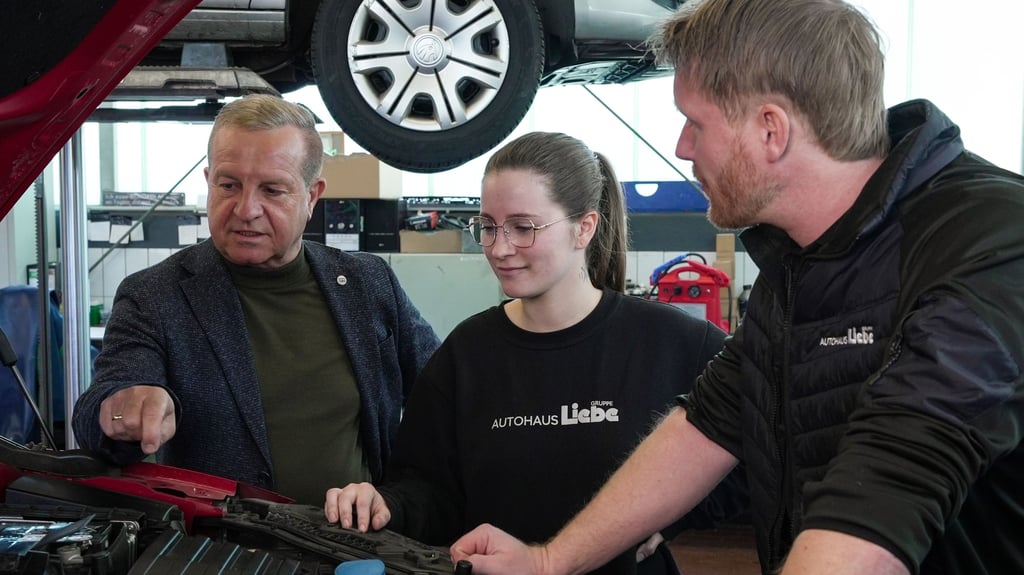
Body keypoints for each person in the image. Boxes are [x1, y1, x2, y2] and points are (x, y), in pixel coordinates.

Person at [448, 1, 1024, 575]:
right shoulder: (801, 257)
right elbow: (708, 423)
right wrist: (550, 561)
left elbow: (890, 479)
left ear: (770, 130)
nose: (681, 147)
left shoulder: (987, 244)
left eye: (695, 123)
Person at [323, 131, 747, 575]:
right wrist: (383, 505)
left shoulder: (674, 343)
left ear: (584, 228)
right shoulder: (465, 357)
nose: (499, 248)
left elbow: (758, 452)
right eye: (488, 226)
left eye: (523, 228)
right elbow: (430, 493)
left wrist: (675, 514)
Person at [72, 94, 441, 505]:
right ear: (209, 181)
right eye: (229, 185)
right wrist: (121, 409)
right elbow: (101, 409)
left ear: (311, 196)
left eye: (272, 190)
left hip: (355, 552)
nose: (246, 209)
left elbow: (444, 391)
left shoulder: (367, 283)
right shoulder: (155, 296)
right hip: (222, 554)